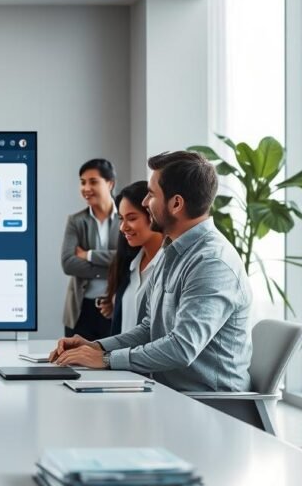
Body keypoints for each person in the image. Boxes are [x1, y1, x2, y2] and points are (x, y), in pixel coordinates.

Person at [50, 151, 253, 392]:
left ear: (176, 203)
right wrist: (97, 348)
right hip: (167, 393)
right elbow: (150, 328)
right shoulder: (171, 251)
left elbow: (182, 347)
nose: (146, 202)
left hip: (209, 405)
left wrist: (106, 361)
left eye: (151, 194)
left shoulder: (212, 263)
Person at [60, 158, 119, 341]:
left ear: (110, 183)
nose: (86, 188)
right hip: (80, 310)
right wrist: (112, 266)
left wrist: (89, 255)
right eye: (83, 182)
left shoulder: (126, 218)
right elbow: (68, 264)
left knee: (111, 365)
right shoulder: (76, 221)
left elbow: (129, 258)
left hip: (115, 308)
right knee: (75, 365)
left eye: (93, 181)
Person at [98, 181, 164, 335]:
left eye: (132, 218)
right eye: (121, 218)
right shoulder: (129, 264)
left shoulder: (171, 266)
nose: (123, 227)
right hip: (119, 358)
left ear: (153, 215)